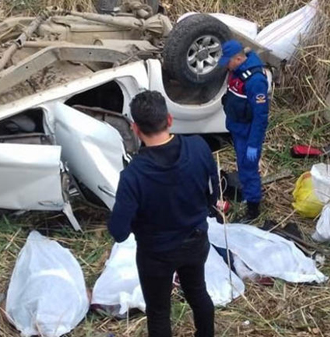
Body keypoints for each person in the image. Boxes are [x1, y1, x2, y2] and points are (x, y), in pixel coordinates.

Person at [107, 91, 218, 337]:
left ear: (135, 129)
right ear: (169, 120)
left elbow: (119, 232)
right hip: (196, 240)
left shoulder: (132, 176)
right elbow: (213, 194)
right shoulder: (199, 147)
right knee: (198, 293)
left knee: (158, 312)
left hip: (156, 254)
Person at [219, 40, 270, 222]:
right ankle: (249, 196)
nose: (225, 65)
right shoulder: (236, 71)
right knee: (242, 166)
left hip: (248, 133)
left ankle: (253, 210)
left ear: (239, 58)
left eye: (228, 61)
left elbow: (261, 116)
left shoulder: (255, 81)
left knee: (248, 170)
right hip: (237, 128)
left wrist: (254, 144)